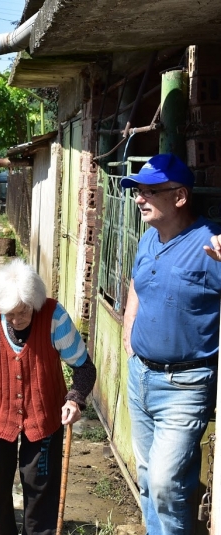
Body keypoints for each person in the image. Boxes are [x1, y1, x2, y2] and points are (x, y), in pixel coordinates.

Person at [0, 259, 96, 535]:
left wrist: (74, 398)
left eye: (23, 313)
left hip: (44, 419)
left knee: (41, 490)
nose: (16, 320)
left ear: (34, 303)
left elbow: (84, 367)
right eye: (9, 314)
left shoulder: (53, 315)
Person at [122, 153, 221, 535]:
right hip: (140, 377)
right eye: (137, 191)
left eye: (150, 191)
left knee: (166, 485)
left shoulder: (208, 244)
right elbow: (137, 283)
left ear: (179, 196)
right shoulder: (149, 239)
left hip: (184, 385)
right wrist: (129, 325)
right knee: (148, 478)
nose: (139, 198)